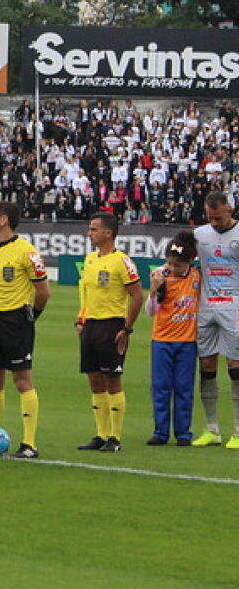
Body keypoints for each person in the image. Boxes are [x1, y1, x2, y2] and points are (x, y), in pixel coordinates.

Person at [0, 201, 50, 459]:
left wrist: (30, 316)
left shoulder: (26, 251)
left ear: (4, 220)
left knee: (22, 380)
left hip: (16, 320)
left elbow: (43, 291)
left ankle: (29, 444)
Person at [76, 211, 143, 453]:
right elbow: (86, 292)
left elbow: (137, 296)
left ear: (108, 233)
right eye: (89, 228)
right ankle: (101, 434)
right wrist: (80, 319)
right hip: (90, 326)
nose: (89, 233)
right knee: (95, 380)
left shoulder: (122, 261)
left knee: (112, 379)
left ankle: (115, 437)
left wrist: (126, 328)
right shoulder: (90, 259)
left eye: (94, 229)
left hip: (112, 326)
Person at [191, 192, 239, 447]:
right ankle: (212, 430)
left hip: (235, 307)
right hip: (207, 308)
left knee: (236, 368)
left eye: (218, 218)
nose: (215, 223)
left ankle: (238, 431)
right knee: (207, 367)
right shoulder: (200, 235)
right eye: (210, 218)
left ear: (229, 210)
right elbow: (179, 260)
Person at [147, 232, 200, 446]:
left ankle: (183, 432)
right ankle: (160, 432)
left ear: (189, 261)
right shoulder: (161, 276)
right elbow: (151, 311)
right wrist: (153, 292)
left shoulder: (197, 276)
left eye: (177, 265)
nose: (172, 267)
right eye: (169, 262)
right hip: (162, 339)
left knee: (184, 388)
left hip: (187, 341)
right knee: (160, 387)